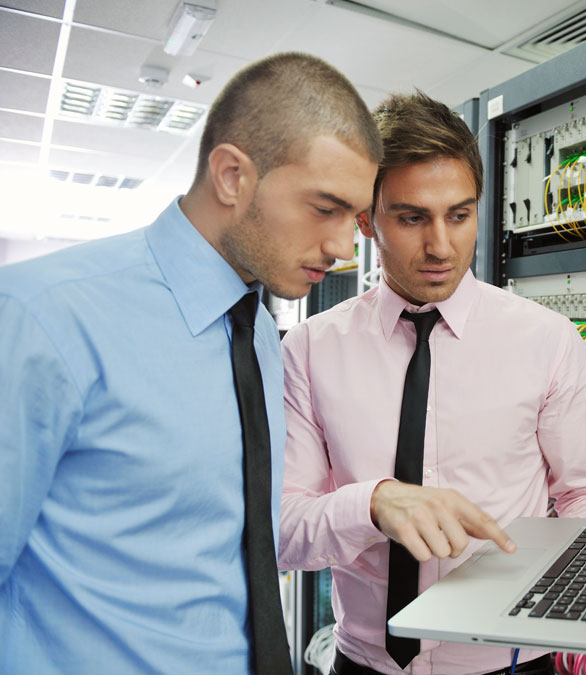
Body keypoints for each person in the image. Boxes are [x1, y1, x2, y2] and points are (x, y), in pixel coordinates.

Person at [0, 52, 380, 674]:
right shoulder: (41, 319)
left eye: (354, 218)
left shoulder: (257, 331)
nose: (342, 247)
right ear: (232, 175)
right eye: (324, 208)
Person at [279, 91, 586, 675]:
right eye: (412, 217)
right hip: (366, 662)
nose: (441, 246)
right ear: (367, 220)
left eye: (459, 215)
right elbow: (285, 531)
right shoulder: (311, 349)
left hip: (517, 661)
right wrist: (371, 504)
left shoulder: (547, 339)